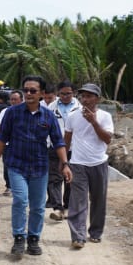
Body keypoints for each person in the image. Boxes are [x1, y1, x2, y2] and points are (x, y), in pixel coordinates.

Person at [0, 75, 70, 257]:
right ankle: (19, 237)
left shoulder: (49, 116)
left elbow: (58, 142)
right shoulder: (12, 113)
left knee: (38, 206)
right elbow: (2, 139)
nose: (28, 93)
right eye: (26, 90)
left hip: (40, 168)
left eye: (33, 91)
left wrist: (65, 164)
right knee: (20, 200)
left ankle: (33, 239)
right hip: (16, 165)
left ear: (41, 93)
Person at [63, 83, 114, 248]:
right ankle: (78, 236)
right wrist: (64, 162)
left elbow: (107, 139)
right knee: (78, 201)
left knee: (99, 200)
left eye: (89, 96)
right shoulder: (72, 116)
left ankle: (96, 232)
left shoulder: (105, 116)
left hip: (99, 163)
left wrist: (94, 122)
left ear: (97, 98)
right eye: (83, 96)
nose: (85, 99)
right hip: (78, 164)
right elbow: (67, 139)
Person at [47, 81, 80, 221]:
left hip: (74, 148)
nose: (66, 96)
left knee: (70, 179)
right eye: (63, 94)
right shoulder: (51, 107)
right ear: (58, 94)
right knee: (54, 178)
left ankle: (67, 207)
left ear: (74, 93)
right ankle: (57, 208)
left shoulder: (80, 108)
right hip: (54, 147)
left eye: (69, 93)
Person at [0, 89, 23, 195]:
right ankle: (9, 186)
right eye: (11, 99)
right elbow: (0, 128)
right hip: (7, 144)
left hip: (21, 144)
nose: (13, 101)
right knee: (7, 165)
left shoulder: (26, 112)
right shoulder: (5, 112)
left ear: (21, 100)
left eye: (15, 99)